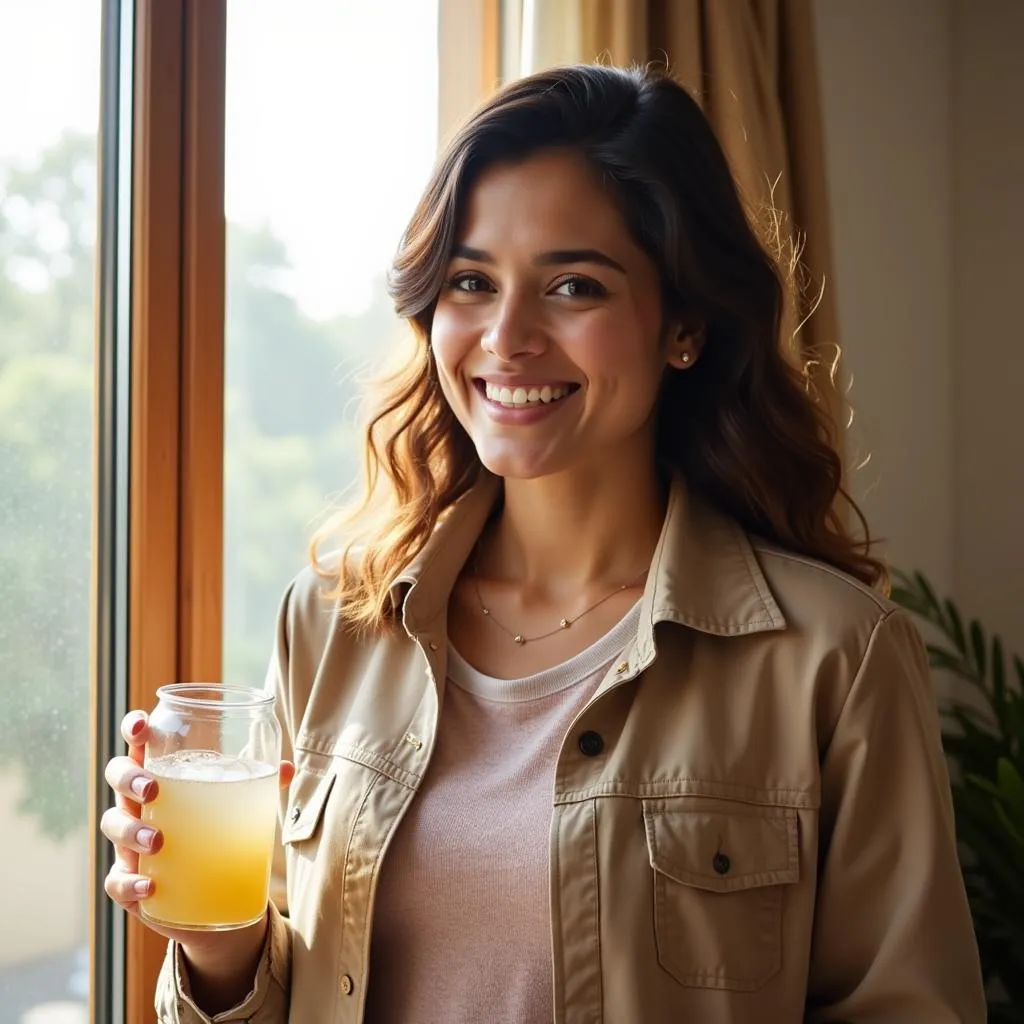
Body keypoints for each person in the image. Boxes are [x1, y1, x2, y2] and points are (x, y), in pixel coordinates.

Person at [101, 64, 985, 1023]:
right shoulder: (330, 627)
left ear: (683, 324)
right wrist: (220, 949)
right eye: (471, 282)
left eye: (574, 285)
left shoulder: (835, 661)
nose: (507, 337)